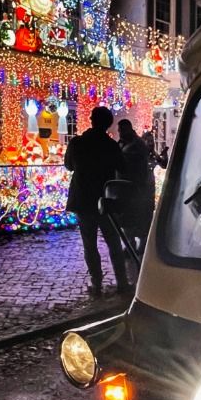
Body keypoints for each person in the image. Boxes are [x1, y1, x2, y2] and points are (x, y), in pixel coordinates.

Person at [65, 105, 130, 295]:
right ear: (108, 124)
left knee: (90, 244)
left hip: (84, 199)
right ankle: (122, 282)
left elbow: (69, 166)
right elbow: (123, 168)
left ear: (92, 120)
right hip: (105, 199)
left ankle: (97, 283)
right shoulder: (111, 146)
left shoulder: (78, 143)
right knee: (113, 242)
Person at [117, 118, 157, 249]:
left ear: (127, 129)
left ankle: (141, 244)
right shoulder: (122, 143)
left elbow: (138, 166)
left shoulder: (137, 144)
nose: (119, 132)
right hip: (125, 187)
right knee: (127, 219)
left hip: (138, 187)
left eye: (121, 130)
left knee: (140, 217)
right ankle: (131, 244)